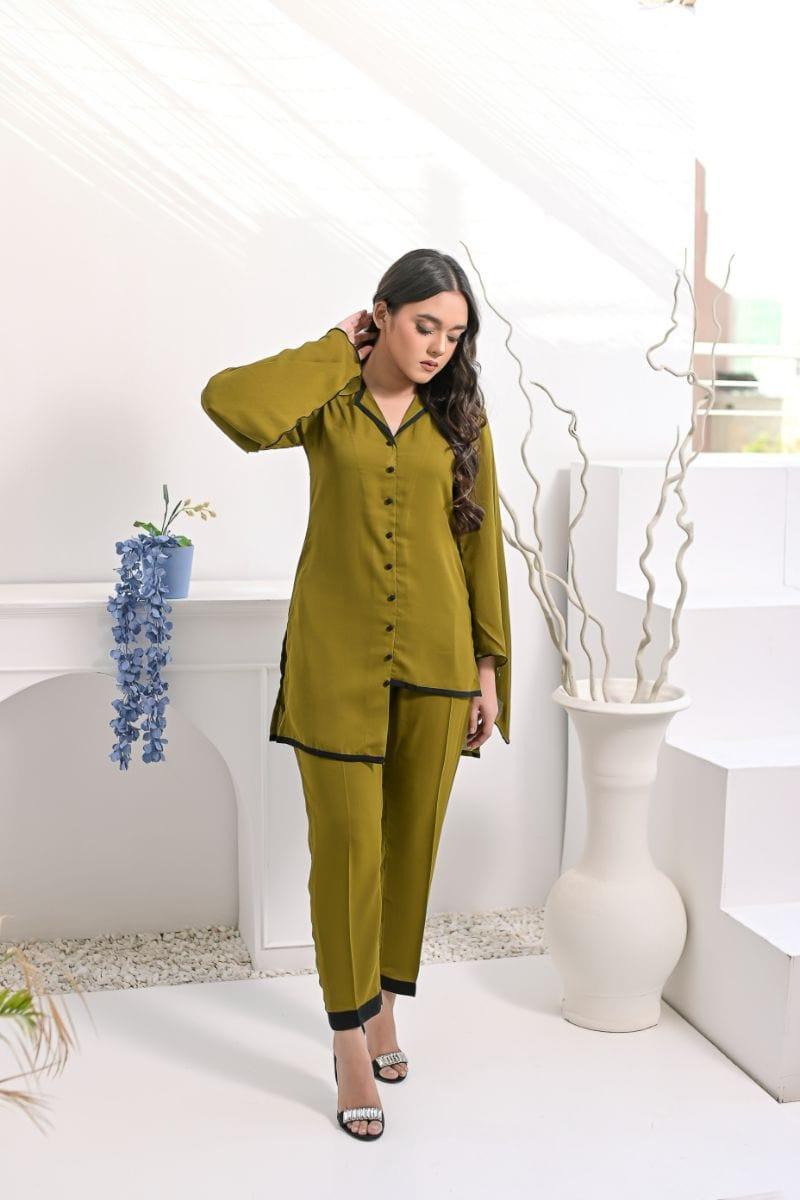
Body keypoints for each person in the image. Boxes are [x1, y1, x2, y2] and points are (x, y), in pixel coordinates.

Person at [201, 247, 511, 1141]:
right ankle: (347, 1041)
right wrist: (336, 346)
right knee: (346, 851)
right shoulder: (327, 402)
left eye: (454, 334)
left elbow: (480, 546)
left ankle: (384, 1010)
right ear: (383, 314)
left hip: (438, 664)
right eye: (424, 325)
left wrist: (489, 670)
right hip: (334, 664)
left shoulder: (463, 421)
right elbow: (231, 404)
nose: (438, 348)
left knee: (407, 847)